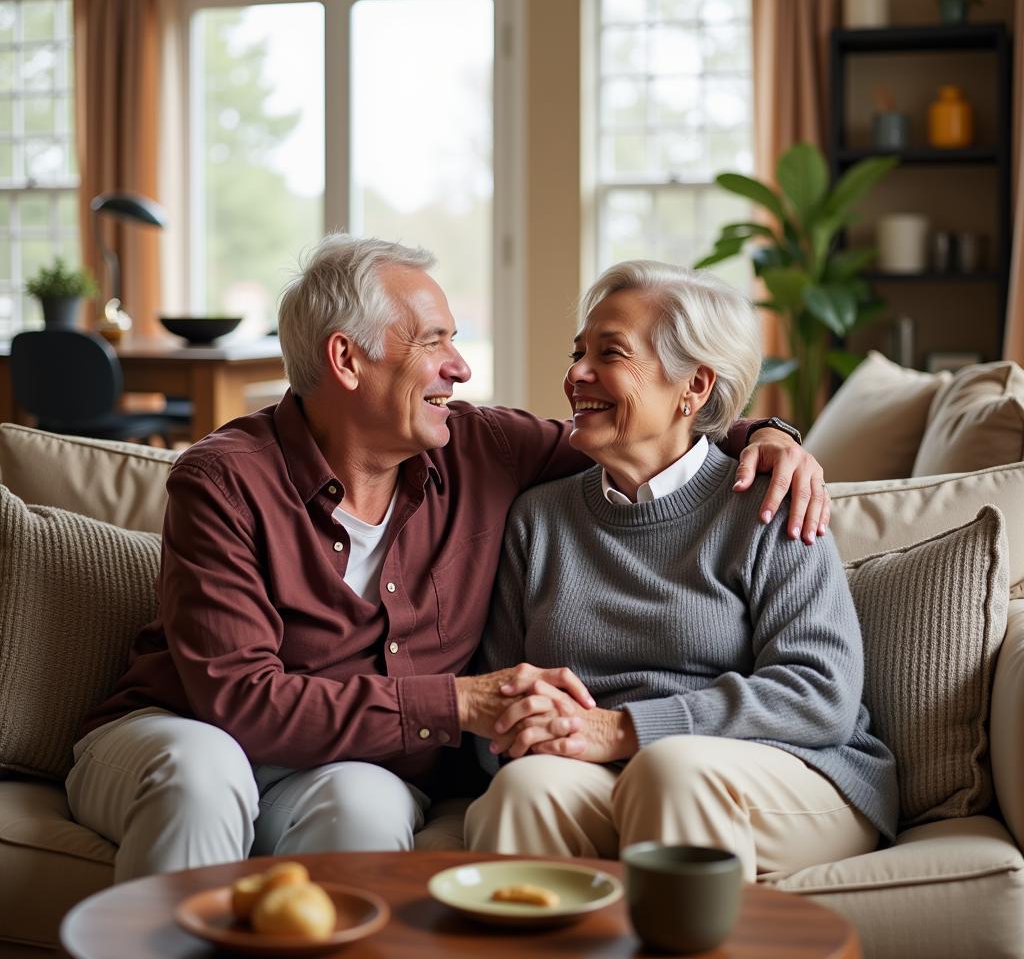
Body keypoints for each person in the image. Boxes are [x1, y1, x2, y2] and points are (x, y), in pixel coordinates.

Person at [65, 234, 830, 883]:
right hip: (184, 729)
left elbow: (644, 431)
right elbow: (238, 703)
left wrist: (770, 437)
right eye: (433, 342)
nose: (460, 368)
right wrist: (459, 702)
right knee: (206, 773)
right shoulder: (224, 479)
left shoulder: (480, 448)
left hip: (341, 764)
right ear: (347, 359)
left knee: (367, 804)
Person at [464, 260, 897, 881]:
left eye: (609, 354)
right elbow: (498, 692)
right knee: (521, 790)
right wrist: (525, 730)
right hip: (608, 771)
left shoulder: (769, 501)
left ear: (694, 387)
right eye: (577, 351)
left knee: (670, 769)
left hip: (789, 770)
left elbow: (819, 694)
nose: (575, 374)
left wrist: (628, 729)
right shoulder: (539, 521)